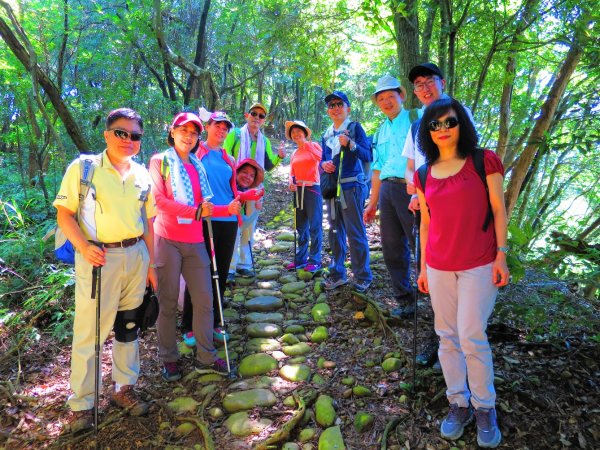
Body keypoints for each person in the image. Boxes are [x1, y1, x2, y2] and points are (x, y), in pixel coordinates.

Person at [414, 97, 509, 448]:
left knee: (471, 334)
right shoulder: (423, 172)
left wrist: (502, 255)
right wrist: (423, 267)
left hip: (479, 263)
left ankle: (485, 406)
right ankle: (458, 402)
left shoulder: (484, 161)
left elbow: (499, 210)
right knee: (446, 335)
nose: (442, 129)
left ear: (461, 124)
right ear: (427, 130)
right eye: (434, 124)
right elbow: (426, 222)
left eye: (449, 122)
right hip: (439, 265)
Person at [55, 108, 157, 433]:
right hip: (99, 258)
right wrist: (84, 248)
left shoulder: (142, 174)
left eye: (135, 135)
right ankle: (82, 404)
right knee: (90, 332)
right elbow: (64, 214)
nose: (128, 140)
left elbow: (149, 222)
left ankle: (123, 388)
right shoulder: (84, 168)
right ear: (107, 134)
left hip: (136, 255)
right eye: (121, 132)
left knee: (130, 326)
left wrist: (152, 264)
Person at [149, 112, 232, 380]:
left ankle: (205, 356)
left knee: (205, 300)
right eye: (183, 130)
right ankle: (169, 358)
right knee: (169, 302)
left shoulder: (198, 165)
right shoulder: (159, 161)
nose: (188, 136)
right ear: (172, 132)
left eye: (194, 132)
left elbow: (204, 209)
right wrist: (196, 212)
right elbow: (159, 201)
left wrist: (225, 209)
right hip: (167, 240)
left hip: (196, 241)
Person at [181, 111, 242, 347]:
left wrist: (244, 199)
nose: (222, 130)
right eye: (217, 125)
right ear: (207, 127)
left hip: (228, 220)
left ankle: (216, 321)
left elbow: (232, 188)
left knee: (221, 272)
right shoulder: (196, 153)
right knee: (198, 272)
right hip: (204, 219)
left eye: (225, 128)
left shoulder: (228, 158)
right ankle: (189, 324)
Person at [363, 75, 416, 316]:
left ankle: (438, 299)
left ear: (401, 96)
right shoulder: (380, 131)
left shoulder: (417, 118)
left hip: (413, 189)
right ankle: (405, 299)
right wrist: (372, 202)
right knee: (391, 245)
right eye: (381, 99)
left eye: (390, 97)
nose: (386, 102)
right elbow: (377, 168)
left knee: (420, 243)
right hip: (387, 189)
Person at [223, 103, 285, 279]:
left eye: (261, 116)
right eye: (254, 114)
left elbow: (268, 164)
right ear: (246, 115)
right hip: (234, 186)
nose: (257, 118)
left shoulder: (263, 141)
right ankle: (230, 267)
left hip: (255, 188)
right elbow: (226, 156)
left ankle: (245, 263)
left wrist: (279, 156)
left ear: (264, 121)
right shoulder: (235, 135)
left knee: (249, 226)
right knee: (233, 225)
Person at [320, 91, 372, 292]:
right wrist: (323, 165)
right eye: (331, 105)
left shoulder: (355, 128)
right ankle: (337, 273)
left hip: (352, 187)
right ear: (328, 111)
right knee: (334, 232)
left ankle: (362, 276)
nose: (335, 108)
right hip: (333, 189)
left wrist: (350, 144)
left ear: (347, 108)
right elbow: (321, 161)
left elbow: (367, 155)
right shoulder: (326, 134)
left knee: (355, 231)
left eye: (339, 104)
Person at [285, 120, 323, 273]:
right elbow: (292, 173)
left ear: (305, 132)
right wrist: (290, 182)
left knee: (315, 225)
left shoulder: (313, 146)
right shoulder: (294, 153)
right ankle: (300, 259)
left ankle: (315, 260)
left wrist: (305, 144)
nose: (296, 134)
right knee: (300, 226)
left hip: (312, 188)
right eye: (293, 132)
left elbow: (321, 158)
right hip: (298, 190)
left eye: (298, 131)